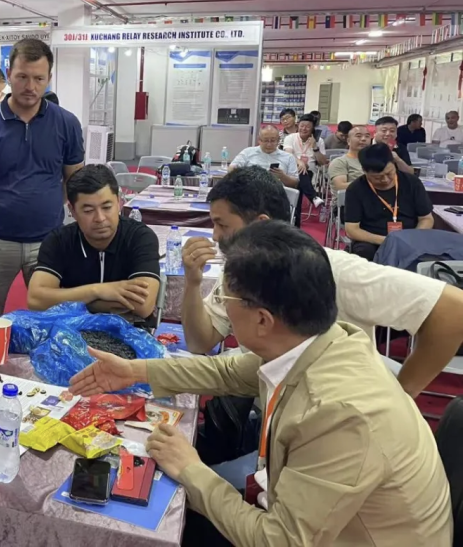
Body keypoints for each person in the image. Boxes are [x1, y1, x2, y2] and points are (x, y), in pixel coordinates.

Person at [71, 221, 452, 547]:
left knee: (165, 510)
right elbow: (227, 372)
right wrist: (135, 371)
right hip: (310, 513)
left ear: (263, 320)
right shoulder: (319, 341)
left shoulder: (341, 416)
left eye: (224, 296)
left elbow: (280, 541)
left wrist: (191, 468)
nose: (221, 305)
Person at [180, 165, 462, 399]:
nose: (214, 236)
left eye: (222, 224)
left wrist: (405, 391)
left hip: (334, 412)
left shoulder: (334, 269)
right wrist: (192, 283)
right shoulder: (240, 268)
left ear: (260, 224)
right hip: (272, 401)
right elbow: (200, 342)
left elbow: (454, 309)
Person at [0, 39, 85, 317]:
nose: (30, 86)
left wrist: (49, 203)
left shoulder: (66, 124)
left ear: (49, 78)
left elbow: (75, 181)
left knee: (54, 318)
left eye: (39, 79)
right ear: (9, 74)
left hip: (49, 240)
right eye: (22, 77)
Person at [28, 165, 160, 322]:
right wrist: (97, 290)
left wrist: (77, 301)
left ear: (119, 202)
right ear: (73, 211)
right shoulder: (59, 240)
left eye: (107, 207)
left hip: (131, 330)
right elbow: (35, 300)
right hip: (70, 330)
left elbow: (143, 306)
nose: (100, 218)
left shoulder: (139, 237)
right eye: (88, 211)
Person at [345, 142, 434, 261]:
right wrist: (387, 241)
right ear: (364, 171)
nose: (385, 180)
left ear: (394, 164)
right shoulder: (356, 189)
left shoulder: (412, 183)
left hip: (410, 238)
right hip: (373, 240)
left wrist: (412, 238)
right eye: (377, 177)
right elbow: (352, 229)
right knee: (363, 253)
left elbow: (426, 219)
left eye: (389, 173)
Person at [282, 114, 326, 221]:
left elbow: (322, 162)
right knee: (300, 173)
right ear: (298, 126)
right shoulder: (290, 138)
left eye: (307, 126)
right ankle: (313, 197)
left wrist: (315, 147)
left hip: (310, 173)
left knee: (301, 178)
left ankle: (294, 220)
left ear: (313, 128)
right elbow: (288, 154)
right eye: (302, 126)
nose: (304, 129)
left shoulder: (319, 141)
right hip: (290, 171)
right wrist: (300, 162)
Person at [228, 126, 298, 191]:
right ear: (259, 140)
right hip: (250, 191)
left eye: (273, 140)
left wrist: (282, 176)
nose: (269, 144)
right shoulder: (247, 152)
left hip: (276, 193)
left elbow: (294, 183)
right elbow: (232, 168)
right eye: (266, 140)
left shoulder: (288, 157)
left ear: (278, 140)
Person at [328, 124, 370, 193]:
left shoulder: (374, 160)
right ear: (348, 141)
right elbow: (340, 186)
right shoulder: (339, 162)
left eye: (367, 136)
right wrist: (372, 183)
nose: (363, 139)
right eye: (358, 136)